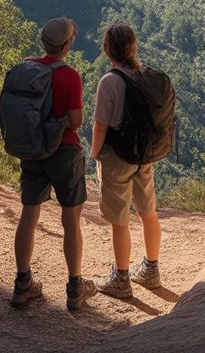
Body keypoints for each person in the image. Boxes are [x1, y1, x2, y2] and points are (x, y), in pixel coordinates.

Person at [11, 17, 97, 311]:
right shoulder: (70, 75)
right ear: (69, 44)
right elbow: (75, 122)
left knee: (29, 215)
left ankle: (23, 283)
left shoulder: (27, 67)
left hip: (33, 150)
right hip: (64, 152)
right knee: (71, 220)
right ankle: (75, 287)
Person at [90, 21, 163, 298]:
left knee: (119, 219)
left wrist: (96, 152)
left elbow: (100, 125)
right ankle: (151, 270)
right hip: (145, 154)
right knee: (148, 211)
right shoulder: (144, 75)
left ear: (108, 49)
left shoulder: (109, 81)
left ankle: (122, 280)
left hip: (118, 156)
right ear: (133, 46)